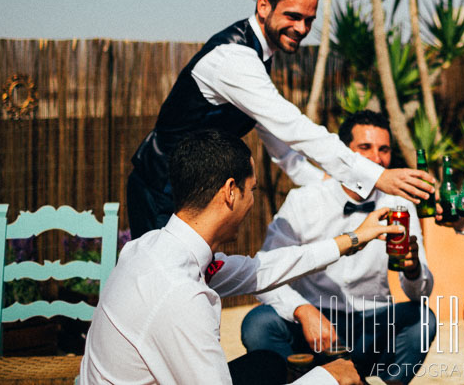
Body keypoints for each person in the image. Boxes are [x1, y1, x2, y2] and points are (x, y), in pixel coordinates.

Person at [127, 0, 433, 236]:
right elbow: (293, 127)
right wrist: (376, 175)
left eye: (309, 20)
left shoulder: (259, 56)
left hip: (196, 193)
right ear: (263, 6)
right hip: (162, 189)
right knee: (164, 289)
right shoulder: (233, 58)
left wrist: (326, 183)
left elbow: (280, 146)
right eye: (293, 16)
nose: (302, 29)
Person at [82, 128, 402, 385]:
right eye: (253, 190)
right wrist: (329, 378)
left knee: (265, 365)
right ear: (230, 191)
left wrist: (354, 237)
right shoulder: (180, 296)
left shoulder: (150, 247)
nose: (252, 201)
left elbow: (262, 269)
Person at [241, 111, 436, 385]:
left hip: (371, 324)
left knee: (423, 319)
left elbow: (420, 293)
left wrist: (414, 269)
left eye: (384, 150)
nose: (377, 160)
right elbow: (266, 271)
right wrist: (301, 310)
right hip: (314, 328)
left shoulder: (399, 205)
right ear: (345, 153)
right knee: (258, 323)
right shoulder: (303, 200)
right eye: (365, 148)